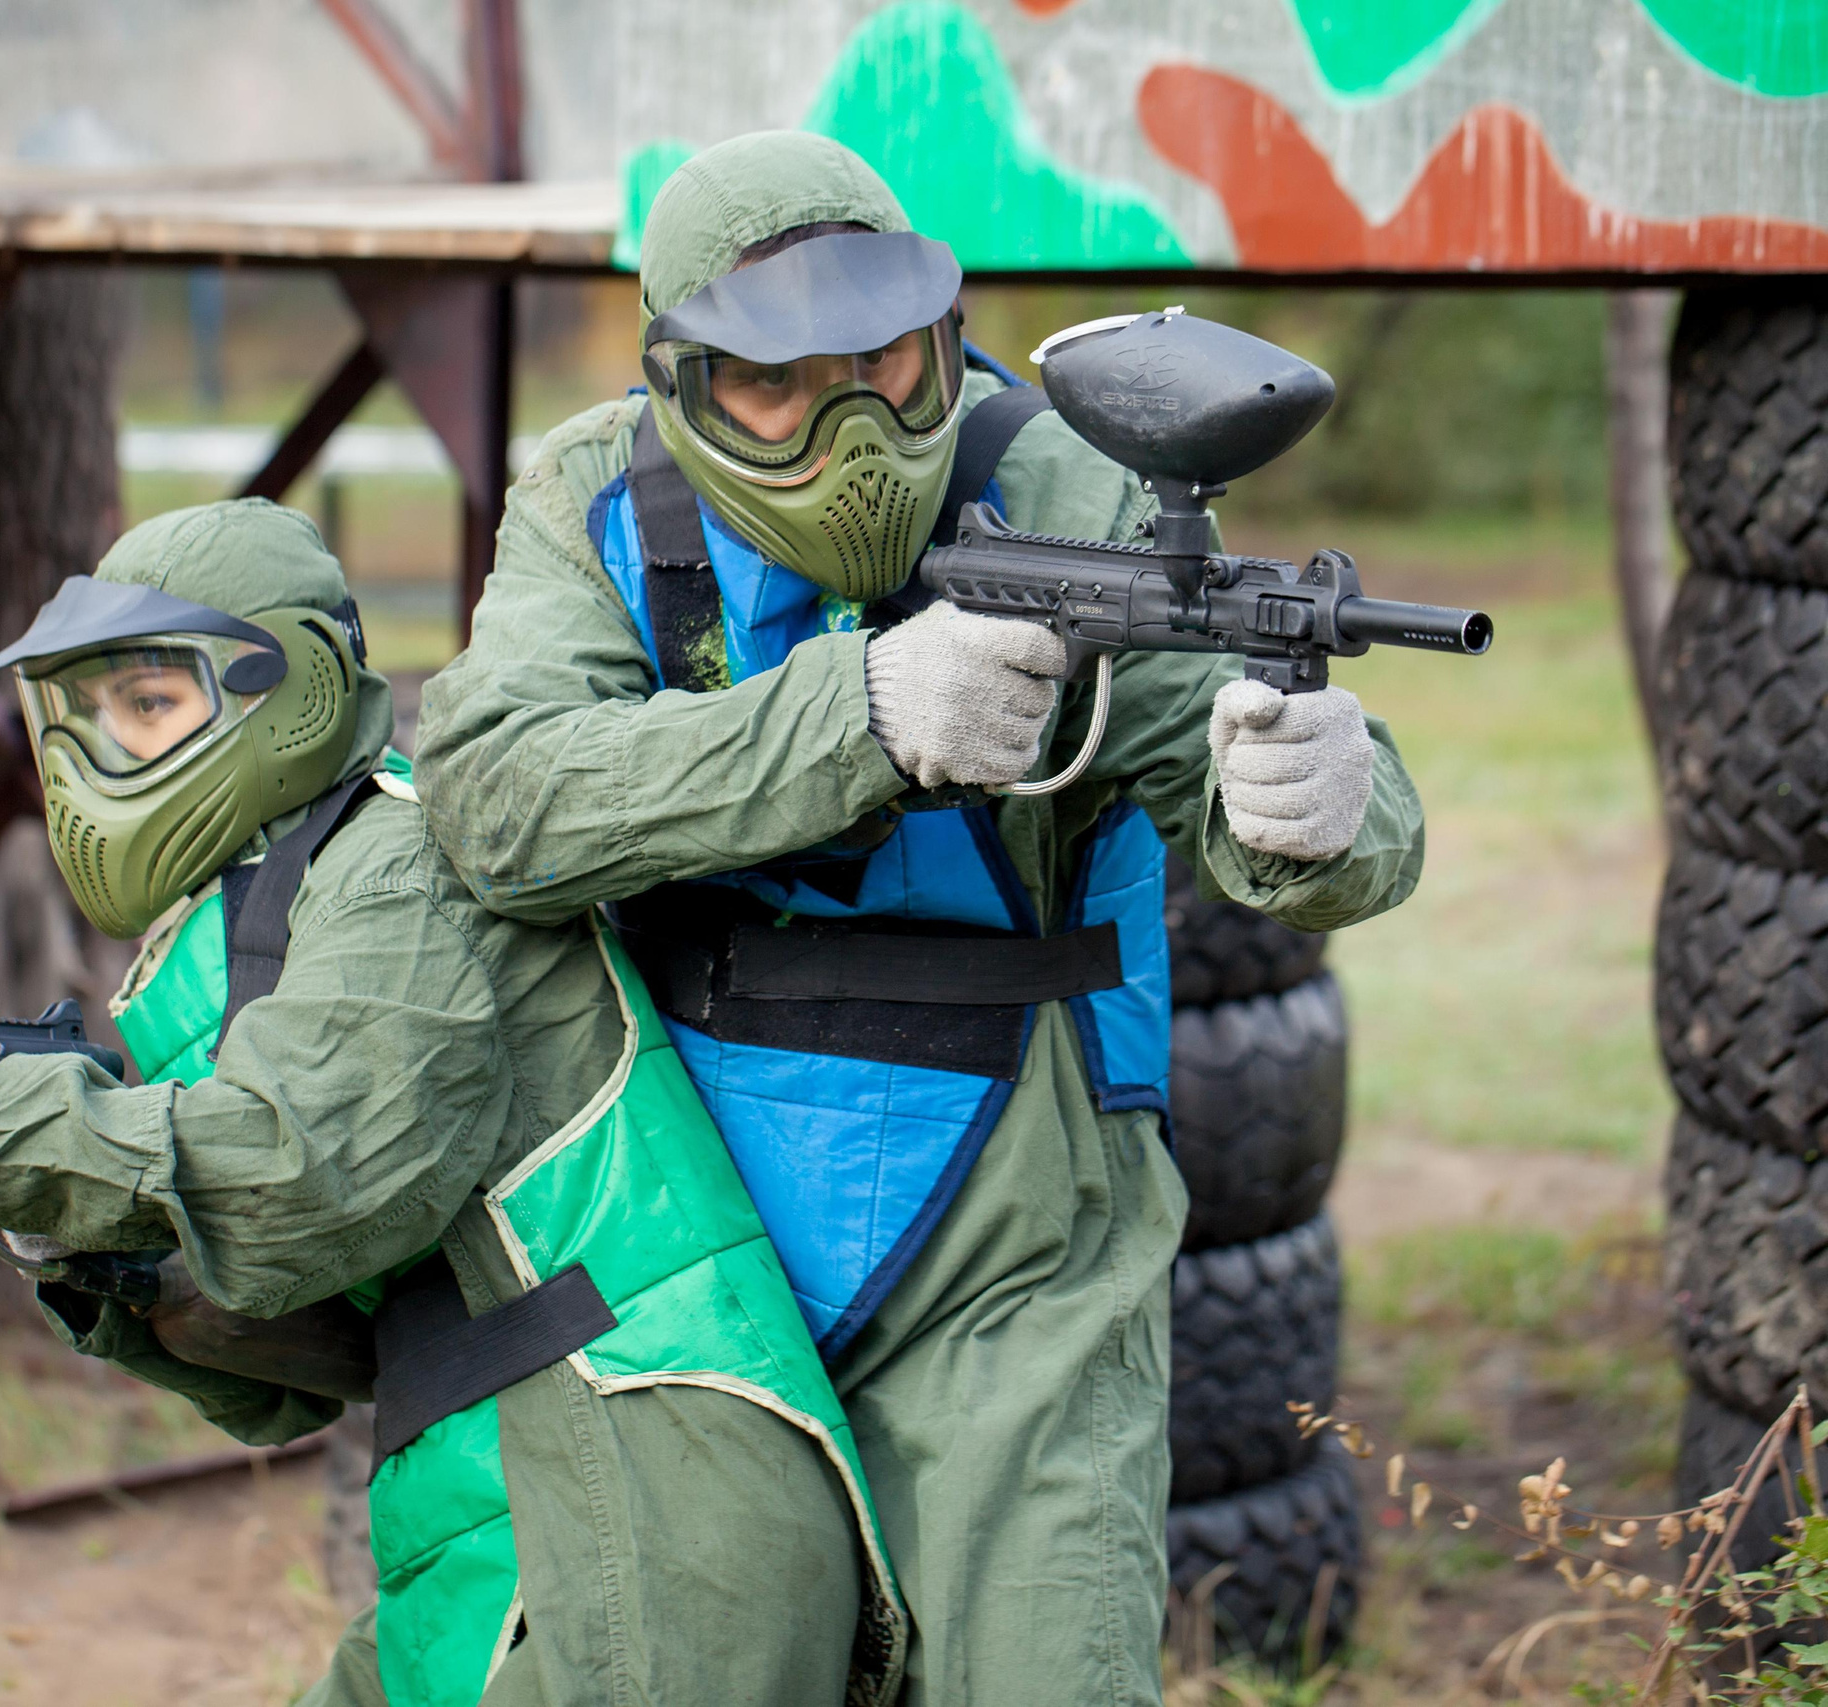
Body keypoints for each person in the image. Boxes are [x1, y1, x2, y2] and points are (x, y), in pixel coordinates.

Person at [411, 132, 1427, 1703]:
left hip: (1025, 1201)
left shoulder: (1065, 472)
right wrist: (862, 710)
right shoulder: (600, 502)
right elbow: (496, 803)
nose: (858, 424)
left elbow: (1218, 760)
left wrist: (1324, 810)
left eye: (889, 361)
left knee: (1048, 1660)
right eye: (781, 381)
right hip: (684, 1194)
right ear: (680, 381)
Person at [0, 498, 908, 1707]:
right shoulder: (266, 914)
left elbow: (302, 1174)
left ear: (289, 693)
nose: (101, 756)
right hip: (504, 1497)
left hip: (646, 1498)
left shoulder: (402, 868)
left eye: (147, 705)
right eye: (83, 716)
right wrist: (90, 1250)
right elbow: (298, 1362)